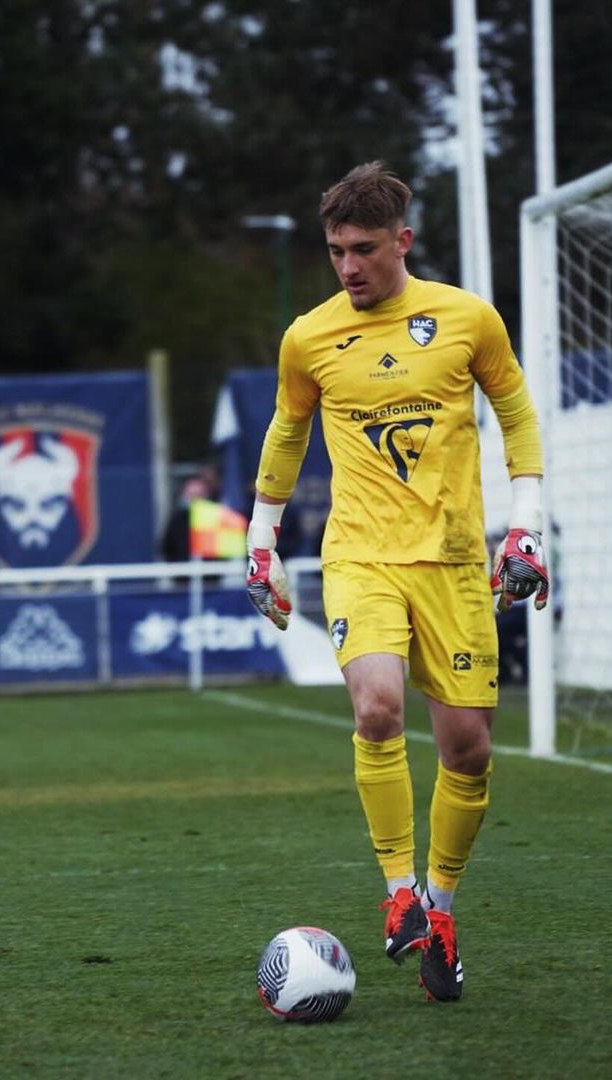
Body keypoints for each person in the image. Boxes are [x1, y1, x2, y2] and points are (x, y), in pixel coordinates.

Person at [244, 162, 549, 1003]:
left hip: (452, 559)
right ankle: (398, 895)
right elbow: (285, 433)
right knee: (376, 708)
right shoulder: (309, 337)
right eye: (336, 250)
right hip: (361, 557)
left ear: (401, 242)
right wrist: (260, 542)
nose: (348, 266)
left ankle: (440, 911)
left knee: (468, 748)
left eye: (364, 249)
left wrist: (526, 526)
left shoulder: (465, 319)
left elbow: (517, 413)